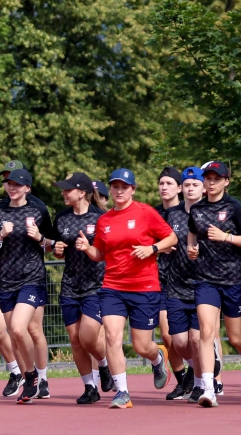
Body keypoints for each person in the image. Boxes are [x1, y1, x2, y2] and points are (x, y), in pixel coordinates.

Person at [77, 168, 177, 409]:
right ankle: (122, 392)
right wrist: (87, 248)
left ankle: (157, 356)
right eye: (115, 187)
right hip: (112, 287)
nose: (119, 191)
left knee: (141, 346)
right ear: (110, 190)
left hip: (144, 286)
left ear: (132, 189)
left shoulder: (146, 212)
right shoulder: (104, 220)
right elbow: (100, 254)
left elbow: (172, 238)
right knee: (112, 336)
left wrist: (152, 248)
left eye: (124, 187)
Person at [187, 161, 241, 405]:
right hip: (205, 279)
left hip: (234, 279)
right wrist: (192, 248)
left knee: (235, 336)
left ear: (226, 181)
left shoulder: (235, 207)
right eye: (208, 178)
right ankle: (208, 388)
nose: (211, 183)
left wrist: (226, 237)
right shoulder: (197, 209)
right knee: (206, 332)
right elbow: (192, 232)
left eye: (216, 179)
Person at [0, 167, 57, 403]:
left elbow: (53, 246)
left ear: (27, 188)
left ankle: (38, 376)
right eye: (9, 184)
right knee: (14, 336)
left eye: (17, 184)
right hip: (5, 281)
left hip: (31, 279)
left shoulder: (38, 210)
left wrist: (40, 238)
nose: (12, 187)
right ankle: (28, 377)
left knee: (18, 328)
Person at [51, 171, 113, 403]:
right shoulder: (61, 218)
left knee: (87, 336)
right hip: (70, 285)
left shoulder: (101, 218)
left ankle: (104, 365)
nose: (63, 193)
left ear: (82, 193)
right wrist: (57, 250)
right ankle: (89, 387)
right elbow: (58, 249)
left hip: (96, 284)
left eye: (68, 190)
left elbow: (109, 251)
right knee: (75, 340)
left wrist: (88, 247)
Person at [156, 167, 200, 400]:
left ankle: (206, 377)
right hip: (164, 280)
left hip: (198, 281)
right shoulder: (159, 213)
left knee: (197, 338)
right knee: (170, 337)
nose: (164, 187)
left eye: (169, 183)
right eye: (161, 183)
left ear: (179, 188)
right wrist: (159, 247)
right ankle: (185, 378)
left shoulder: (197, 211)